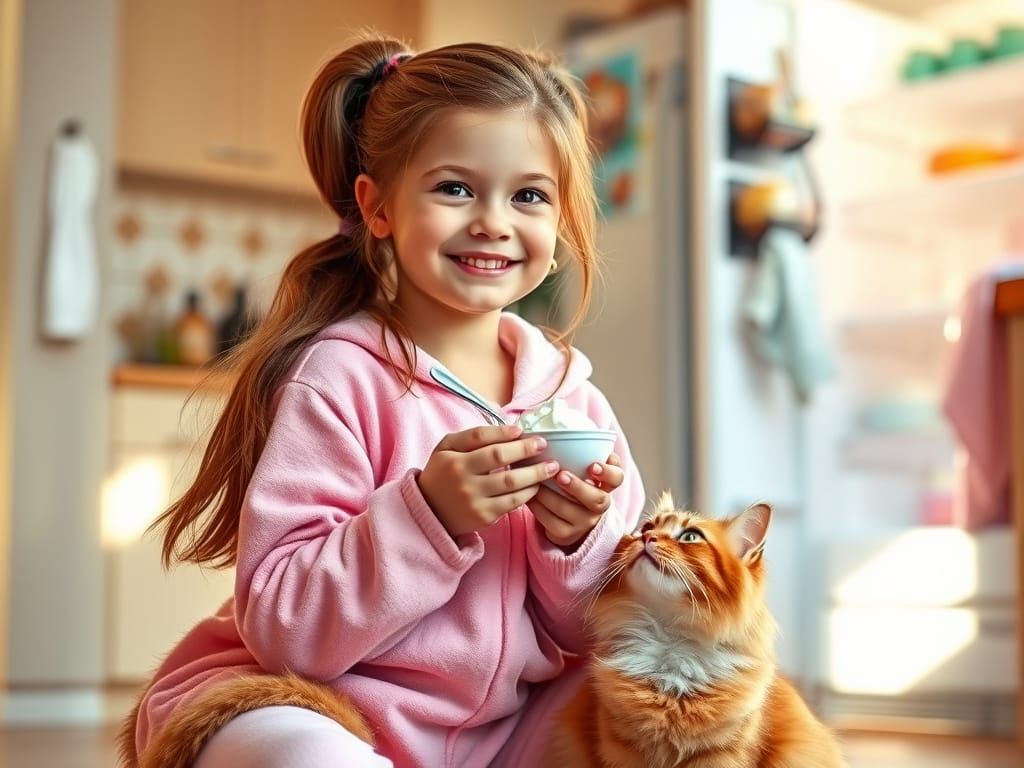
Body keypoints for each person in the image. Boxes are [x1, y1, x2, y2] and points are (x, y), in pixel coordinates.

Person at [118, 33, 645, 768]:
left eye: (528, 195)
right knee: (285, 746)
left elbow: (600, 636)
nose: (493, 219)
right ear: (378, 207)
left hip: (504, 731)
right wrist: (429, 516)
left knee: (675, 707)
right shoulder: (339, 378)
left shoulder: (575, 402)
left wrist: (576, 546)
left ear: (559, 225)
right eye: (455, 187)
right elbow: (286, 631)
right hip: (327, 706)